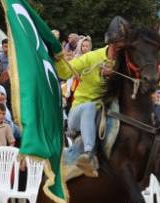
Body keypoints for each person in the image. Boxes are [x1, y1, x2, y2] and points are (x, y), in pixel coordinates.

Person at [54, 17, 128, 177]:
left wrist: (114, 76)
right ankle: (88, 154)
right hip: (79, 113)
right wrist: (58, 58)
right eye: (116, 45)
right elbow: (65, 72)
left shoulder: (124, 64)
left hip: (106, 113)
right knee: (89, 107)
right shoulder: (92, 57)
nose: (119, 49)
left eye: (122, 46)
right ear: (110, 42)